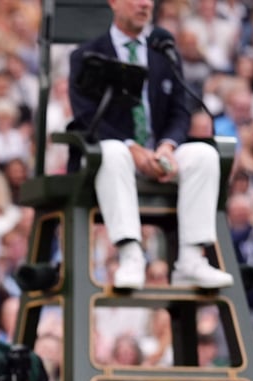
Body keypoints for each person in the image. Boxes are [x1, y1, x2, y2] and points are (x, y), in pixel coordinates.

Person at [68, 0, 233, 291]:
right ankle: (131, 254)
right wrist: (133, 148)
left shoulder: (163, 50)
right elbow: (86, 116)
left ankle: (192, 259)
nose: (145, 3)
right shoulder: (87, 55)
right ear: (114, 3)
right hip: (111, 155)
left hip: (158, 152)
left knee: (205, 155)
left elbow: (180, 111)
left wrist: (168, 147)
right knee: (113, 151)